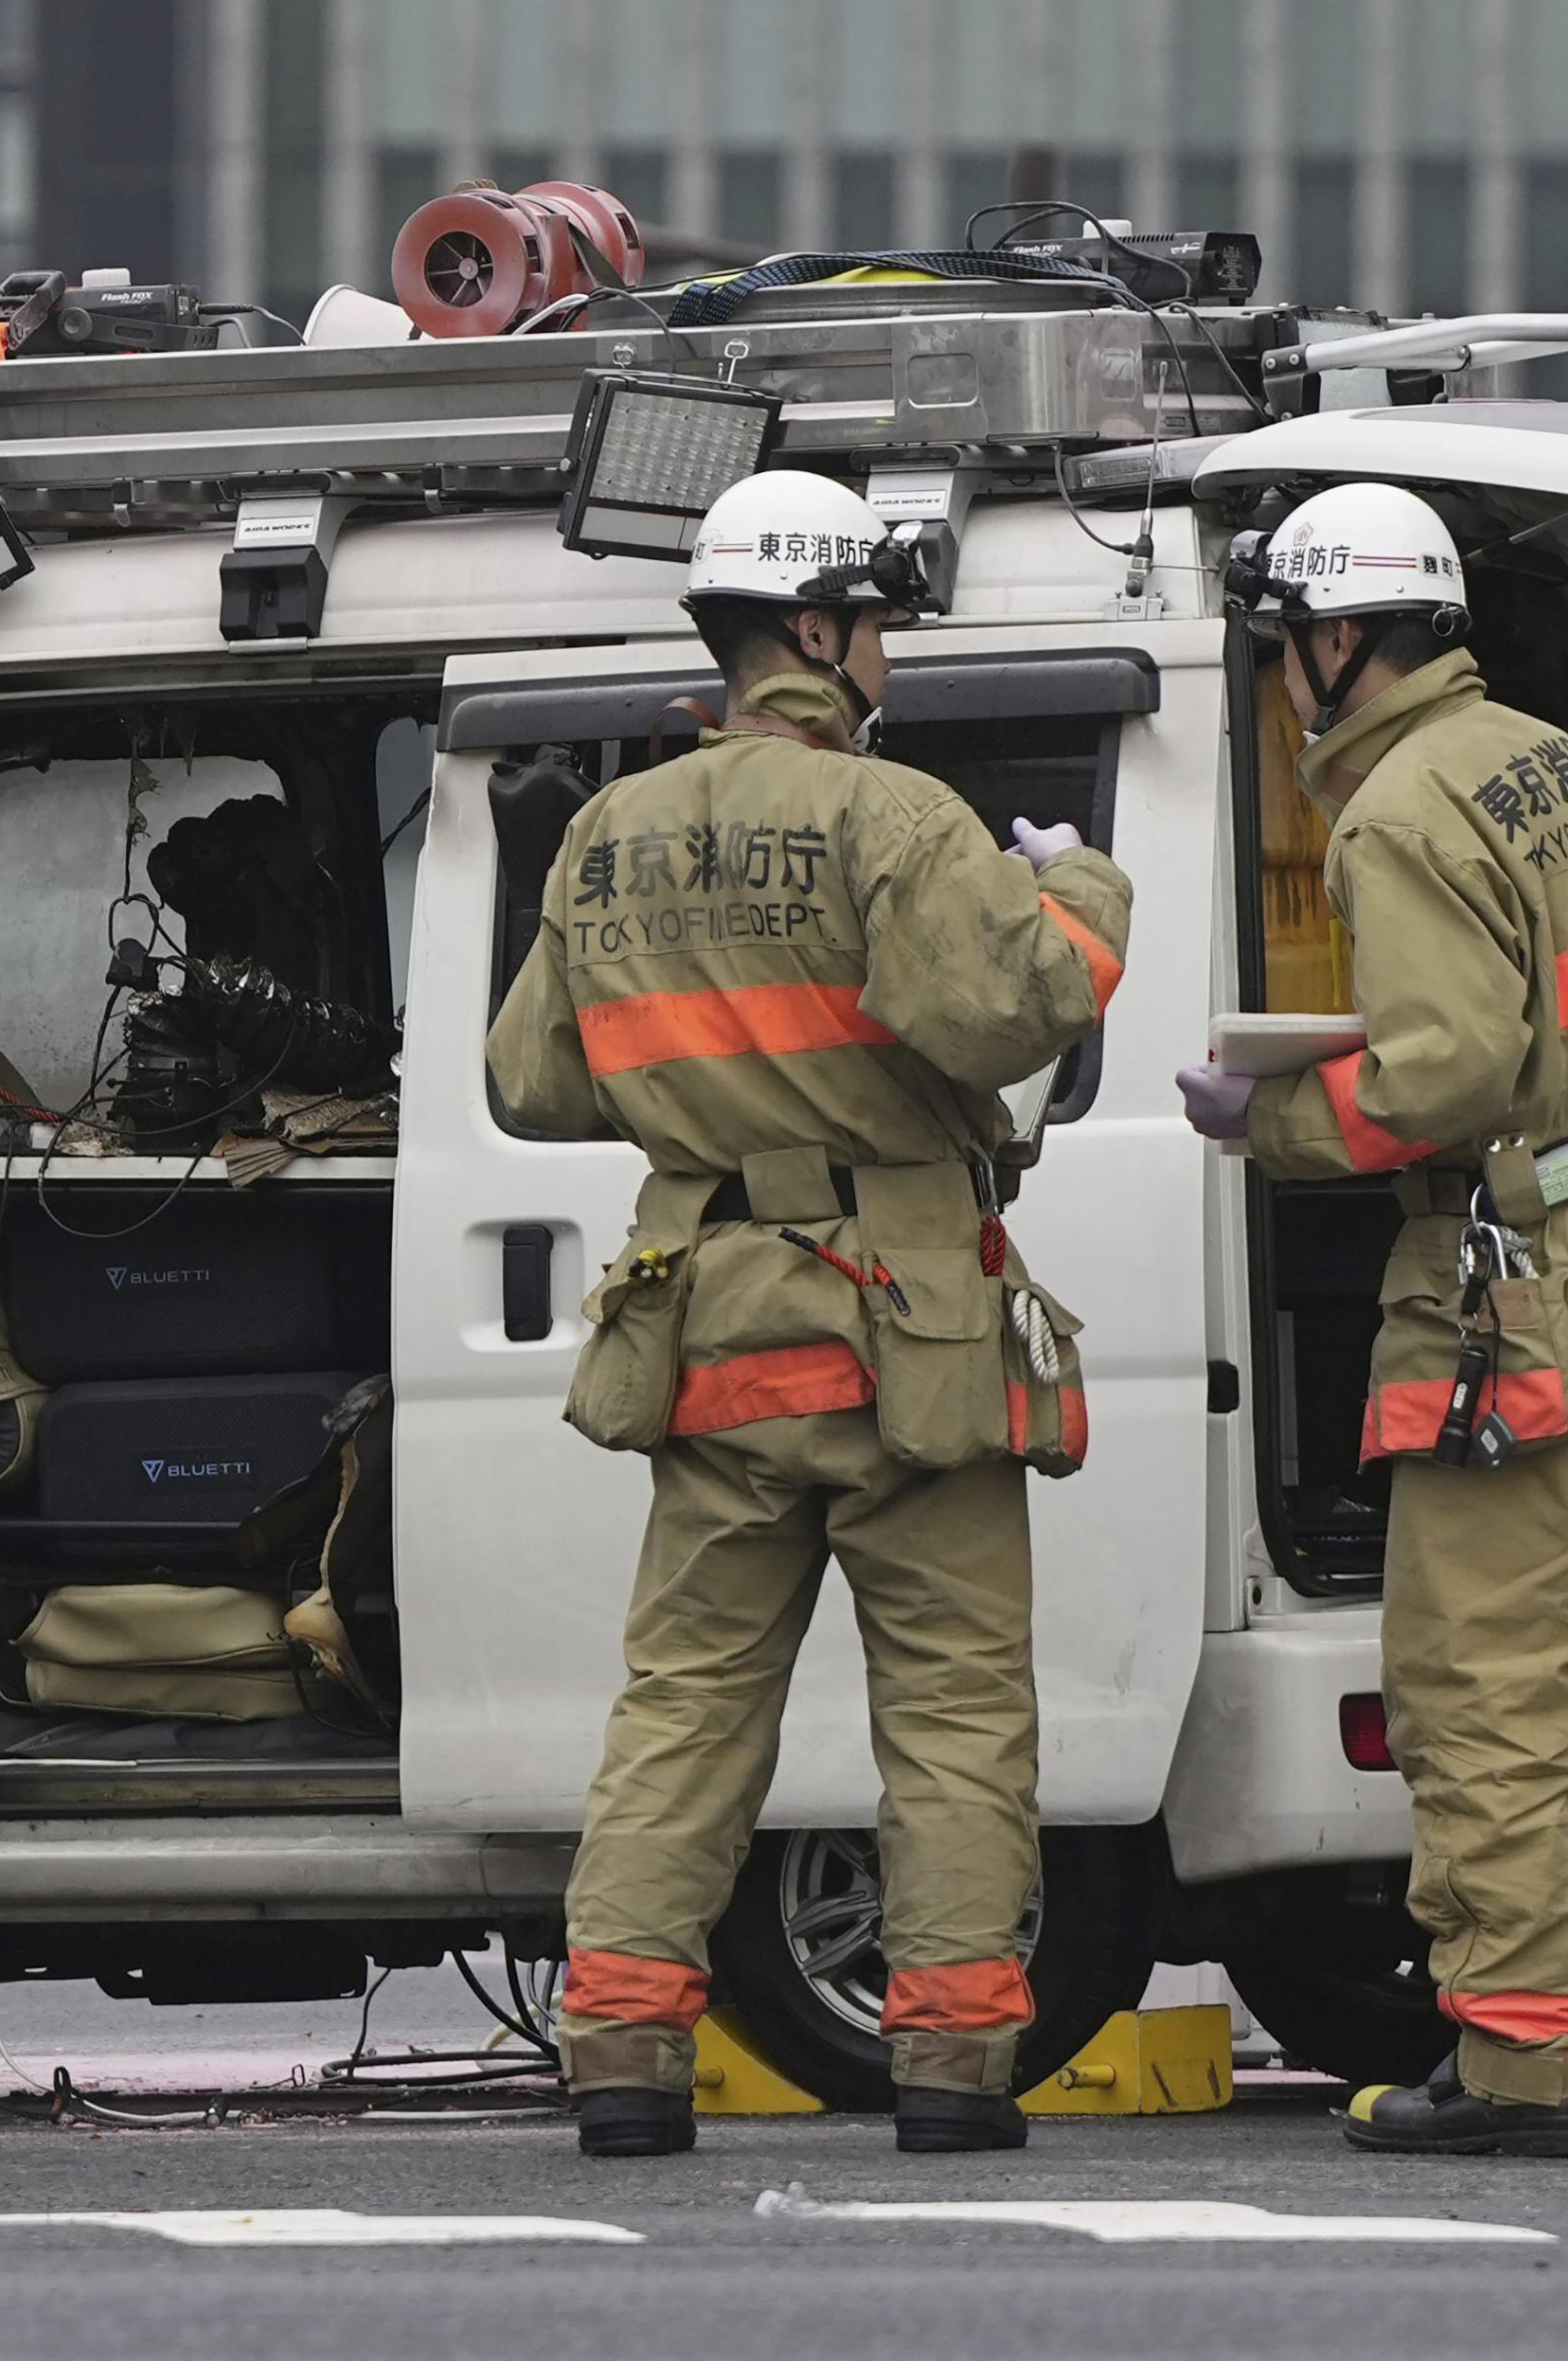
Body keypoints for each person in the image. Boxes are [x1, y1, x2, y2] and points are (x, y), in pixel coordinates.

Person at [486, 468, 1131, 2159]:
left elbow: (532, 1082)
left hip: (709, 1329)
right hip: (899, 1328)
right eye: (882, 630)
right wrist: (1085, 896)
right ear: (826, 632)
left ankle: (621, 2055)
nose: (891, 664)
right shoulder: (893, 815)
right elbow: (1021, 1010)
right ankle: (949, 2067)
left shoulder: (604, 837)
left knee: (684, 1702)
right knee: (953, 1706)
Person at [1174, 479, 1568, 2160]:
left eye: (1290, 641)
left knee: (1481, 1693)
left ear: (1342, 637)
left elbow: (1443, 1073)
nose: (1288, 673)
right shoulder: (1548, 757)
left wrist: (1263, 1119)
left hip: (1540, 1304)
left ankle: (1514, 2062)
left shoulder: (1397, 809)